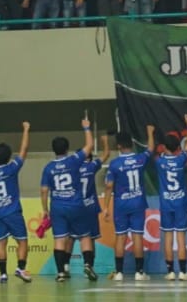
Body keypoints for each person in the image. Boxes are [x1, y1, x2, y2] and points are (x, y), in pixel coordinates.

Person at [40, 117, 94, 282]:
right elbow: (90, 146)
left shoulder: (48, 167)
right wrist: (86, 128)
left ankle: (61, 272)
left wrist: (45, 210)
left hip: (58, 207)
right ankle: (87, 265)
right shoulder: (74, 160)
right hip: (76, 204)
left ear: (53, 150)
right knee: (84, 236)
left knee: (60, 239)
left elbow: (44, 190)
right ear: (67, 148)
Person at [103, 125, 155, 282]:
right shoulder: (140, 159)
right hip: (138, 202)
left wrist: (105, 206)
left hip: (121, 205)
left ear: (118, 146)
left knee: (120, 237)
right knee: (138, 236)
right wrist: (150, 133)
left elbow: (108, 186)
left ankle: (119, 273)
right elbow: (151, 149)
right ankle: (140, 272)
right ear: (131, 144)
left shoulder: (114, 164)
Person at [0, 121, 32, 283]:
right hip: (13, 211)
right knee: (22, 241)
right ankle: (21, 268)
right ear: (8, 156)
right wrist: (25, 129)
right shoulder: (12, 168)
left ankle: (3, 274)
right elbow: (24, 150)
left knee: (1, 243)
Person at [155, 115, 187, 281]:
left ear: (164, 147)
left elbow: (156, 153)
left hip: (166, 204)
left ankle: (170, 271)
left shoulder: (159, 161)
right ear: (178, 147)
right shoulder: (181, 159)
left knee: (168, 237)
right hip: (180, 203)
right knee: (181, 238)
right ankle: (183, 272)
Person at [69, 132, 110, 281]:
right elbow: (106, 154)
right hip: (90, 207)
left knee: (70, 237)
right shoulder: (92, 166)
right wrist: (105, 141)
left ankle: (65, 267)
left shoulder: (71, 169)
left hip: (75, 206)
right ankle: (89, 265)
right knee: (90, 238)